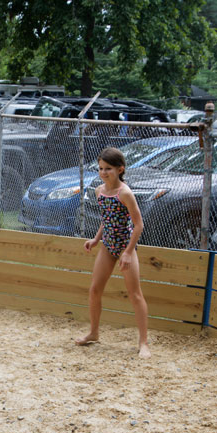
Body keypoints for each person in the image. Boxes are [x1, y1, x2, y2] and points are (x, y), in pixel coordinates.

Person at [76, 147, 150, 358]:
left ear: (120, 169)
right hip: (108, 246)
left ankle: (143, 342)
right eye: (100, 168)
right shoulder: (100, 191)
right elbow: (106, 219)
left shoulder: (125, 193)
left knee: (135, 294)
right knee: (94, 290)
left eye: (108, 168)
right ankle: (94, 332)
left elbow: (138, 226)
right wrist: (96, 239)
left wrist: (127, 253)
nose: (103, 172)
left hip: (126, 246)